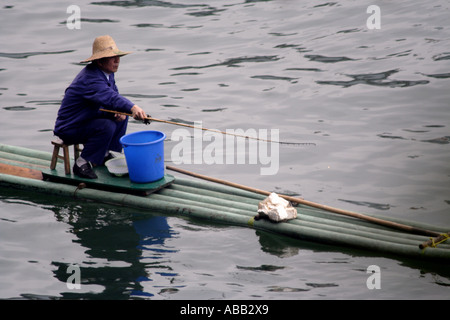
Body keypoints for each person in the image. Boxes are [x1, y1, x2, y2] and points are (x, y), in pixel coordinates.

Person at [54, 35, 147, 179]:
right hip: (70, 127)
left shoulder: (108, 74)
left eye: (118, 57)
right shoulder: (90, 78)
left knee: (123, 116)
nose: (117, 61)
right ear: (99, 61)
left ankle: (103, 153)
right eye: (112, 57)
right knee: (106, 126)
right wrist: (133, 107)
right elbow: (110, 97)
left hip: (88, 118)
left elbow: (112, 96)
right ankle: (81, 163)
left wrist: (121, 111)